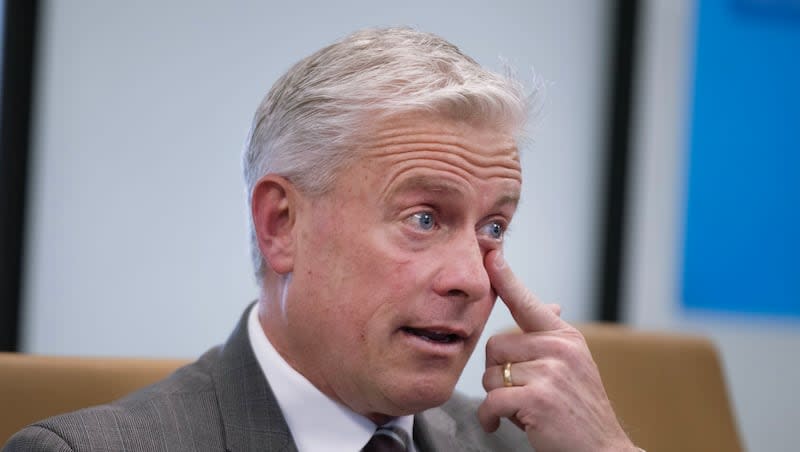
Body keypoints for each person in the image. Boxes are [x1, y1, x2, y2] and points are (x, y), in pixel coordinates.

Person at [4, 27, 641, 451]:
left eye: (492, 228)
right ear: (282, 225)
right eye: (423, 218)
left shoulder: (520, 444)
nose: (474, 279)